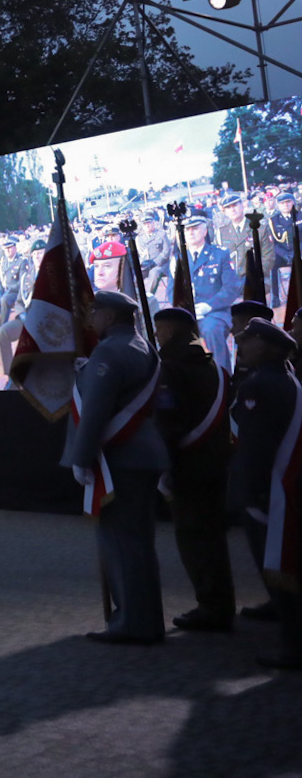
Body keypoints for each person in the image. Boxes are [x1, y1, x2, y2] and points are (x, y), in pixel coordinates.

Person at [65, 289, 169, 645]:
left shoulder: (108, 351)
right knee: (139, 544)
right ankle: (146, 619)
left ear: (109, 316)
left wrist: (81, 459)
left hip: (119, 460)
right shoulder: (145, 347)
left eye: (94, 311)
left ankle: (132, 624)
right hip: (145, 457)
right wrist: (87, 373)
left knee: (121, 544)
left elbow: (96, 411)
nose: (90, 317)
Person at [151, 306, 234, 631]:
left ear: (169, 331)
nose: (156, 337)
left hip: (189, 465)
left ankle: (211, 607)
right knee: (213, 537)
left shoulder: (171, 367)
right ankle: (221, 603)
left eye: (159, 331)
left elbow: (168, 420)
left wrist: (165, 468)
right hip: (214, 461)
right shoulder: (209, 362)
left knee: (195, 538)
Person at [228, 317, 302, 668]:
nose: (240, 345)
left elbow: (255, 448)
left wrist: (252, 494)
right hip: (282, 486)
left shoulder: (260, 385)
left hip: (270, 491)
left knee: (278, 569)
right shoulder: (285, 378)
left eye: (248, 339)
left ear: (269, 346)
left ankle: (294, 647)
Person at [185, 217, 240, 367]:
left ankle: (223, 377)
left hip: (216, 311)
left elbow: (232, 287)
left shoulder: (220, 254)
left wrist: (208, 306)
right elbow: (173, 291)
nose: (191, 233)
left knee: (210, 330)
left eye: (195, 228)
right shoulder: (178, 259)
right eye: (187, 229)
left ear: (205, 231)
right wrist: (187, 310)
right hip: (189, 313)